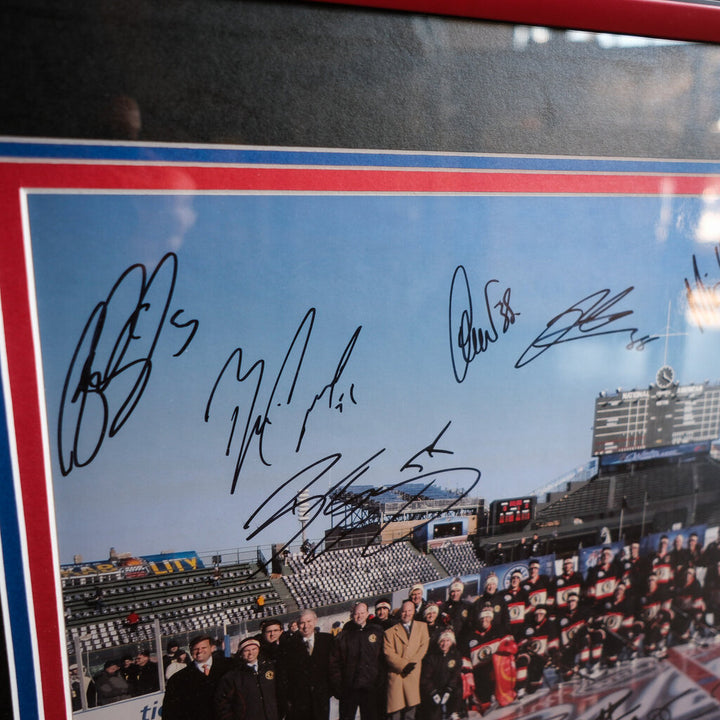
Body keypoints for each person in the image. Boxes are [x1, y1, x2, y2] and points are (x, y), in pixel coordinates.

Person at [330, 601, 384, 720]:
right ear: (352, 615)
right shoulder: (343, 635)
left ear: (367, 614)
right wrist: (338, 685)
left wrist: (379, 680)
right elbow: (335, 662)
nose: (359, 616)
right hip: (349, 687)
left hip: (370, 687)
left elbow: (382, 659)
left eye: (362, 613)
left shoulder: (377, 631)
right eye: (356, 614)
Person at [277, 609, 334, 720]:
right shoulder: (288, 645)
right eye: (302, 623)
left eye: (309, 621)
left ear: (315, 621)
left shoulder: (327, 640)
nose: (305, 626)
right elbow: (283, 674)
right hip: (299, 699)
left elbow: (333, 667)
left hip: (321, 697)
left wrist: (329, 690)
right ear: (297, 625)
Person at [162, 634, 233, 720]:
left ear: (212, 648)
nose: (199, 651)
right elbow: (170, 712)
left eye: (204, 648)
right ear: (191, 651)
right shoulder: (178, 679)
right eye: (196, 649)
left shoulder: (229, 667)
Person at [384, 599, 430, 720]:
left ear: (414, 612)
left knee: (411, 711)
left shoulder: (422, 627)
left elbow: (423, 647)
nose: (406, 614)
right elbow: (388, 653)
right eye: (404, 611)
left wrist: (412, 663)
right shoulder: (390, 632)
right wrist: (403, 665)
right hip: (397, 674)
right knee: (395, 712)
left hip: (413, 673)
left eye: (409, 611)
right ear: (400, 613)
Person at [215, 637, 280, 720]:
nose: (251, 653)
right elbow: (222, 703)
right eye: (246, 650)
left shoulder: (269, 667)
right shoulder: (233, 676)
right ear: (241, 653)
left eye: (254, 649)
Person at [419, 630, 464, 720]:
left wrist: (449, 690)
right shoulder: (431, 657)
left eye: (448, 641)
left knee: (458, 692)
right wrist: (433, 692)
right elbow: (425, 678)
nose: (444, 644)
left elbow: (455, 675)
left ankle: (454, 712)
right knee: (434, 715)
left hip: (450, 690)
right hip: (435, 690)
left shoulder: (455, 655)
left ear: (452, 642)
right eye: (442, 641)